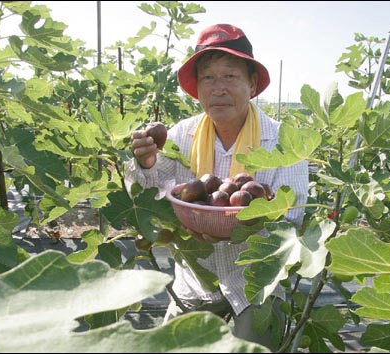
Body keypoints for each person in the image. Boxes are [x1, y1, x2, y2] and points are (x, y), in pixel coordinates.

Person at [127, 24, 309, 348]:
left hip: (255, 282)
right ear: (197, 88)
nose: (218, 88)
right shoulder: (181, 135)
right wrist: (146, 164)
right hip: (197, 277)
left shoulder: (284, 142)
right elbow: (155, 189)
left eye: (230, 77)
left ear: (252, 83)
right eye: (208, 78)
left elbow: (292, 217)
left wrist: (237, 228)